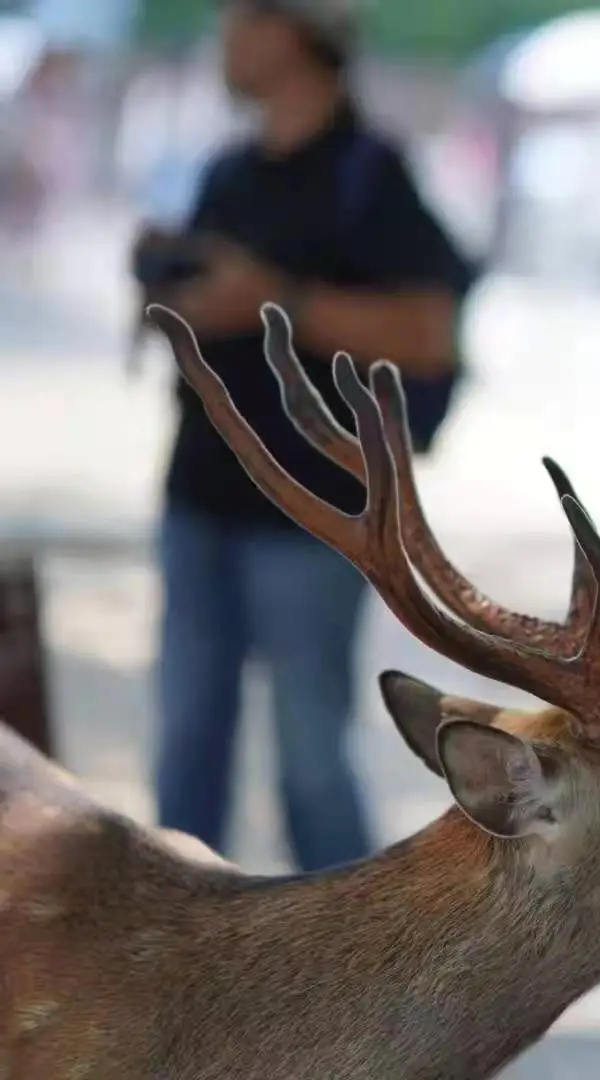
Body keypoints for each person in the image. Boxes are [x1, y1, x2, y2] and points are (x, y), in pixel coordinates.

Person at [135, 0, 474, 871]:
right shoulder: (227, 171)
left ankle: (349, 965)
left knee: (311, 757)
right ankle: (180, 952)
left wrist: (274, 299)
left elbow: (431, 332)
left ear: (297, 33)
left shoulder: (370, 173)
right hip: (200, 491)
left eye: (242, 18)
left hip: (317, 514)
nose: (226, 37)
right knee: (185, 744)